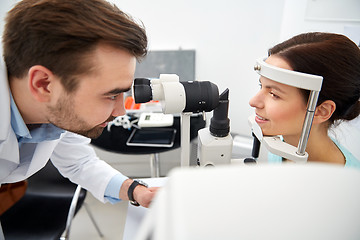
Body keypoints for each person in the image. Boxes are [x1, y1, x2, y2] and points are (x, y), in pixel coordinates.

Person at [0, 0, 158, 214]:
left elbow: (79, 162)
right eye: (111, 95)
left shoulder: (55, 112)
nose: (121, 111)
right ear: (43, 84)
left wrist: (135, 191)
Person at [249, 32, 360, 167]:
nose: (253, 101)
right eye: (261, 85)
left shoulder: (350, 184)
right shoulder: (280, 147)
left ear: (321, 111)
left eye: (274, 94)